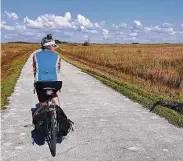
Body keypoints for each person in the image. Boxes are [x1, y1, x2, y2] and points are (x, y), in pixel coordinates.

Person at [33, 34, 62, 108]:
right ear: (50, 46)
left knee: (42, 101)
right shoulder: (58, 56)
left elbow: (35, 70)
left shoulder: (35, 55)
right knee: (54, 95)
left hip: (40, 83)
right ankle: (59, 111)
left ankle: (43, 109)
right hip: (56, 83)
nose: (55, 48)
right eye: (54, 46)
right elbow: (58, 69)